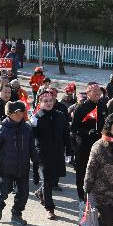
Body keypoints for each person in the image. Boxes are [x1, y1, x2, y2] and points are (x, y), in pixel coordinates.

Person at [0, 101, 38, 225]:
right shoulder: (1, 129)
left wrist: (37, 165)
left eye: (22, 112)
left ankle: (16, 214)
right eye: (17, 112)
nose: (20, 114)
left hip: (23, 168)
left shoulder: (27, 128)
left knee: (23, 194)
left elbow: (32, 148)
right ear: (9, 114)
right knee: (5, 190)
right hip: (6, 168)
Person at [31, 91, 72, 219]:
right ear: (40, 103)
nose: (49, 103)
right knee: (47, 180)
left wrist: (69, 151)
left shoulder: (60, 115)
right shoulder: (36, 118)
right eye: (45, 101)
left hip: (58, 152)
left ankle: (39, 192)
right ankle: (49, 208)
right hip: (43, 154)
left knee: (55, 178)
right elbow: (31, 138)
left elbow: (66, 134)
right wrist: (31, 125)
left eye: (51, 100)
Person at [70, 82, 108, 201]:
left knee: (98, 170)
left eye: (99, 91)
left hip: (100, 145)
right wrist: (87, 132)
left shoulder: (103, 106)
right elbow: (74, 128)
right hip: (84, 145)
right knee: (82, 171)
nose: (97, 93)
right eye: (94, 91)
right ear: (88, 93)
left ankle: (96, 195)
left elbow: (106, 123)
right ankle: (82, 196)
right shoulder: (81, 108)